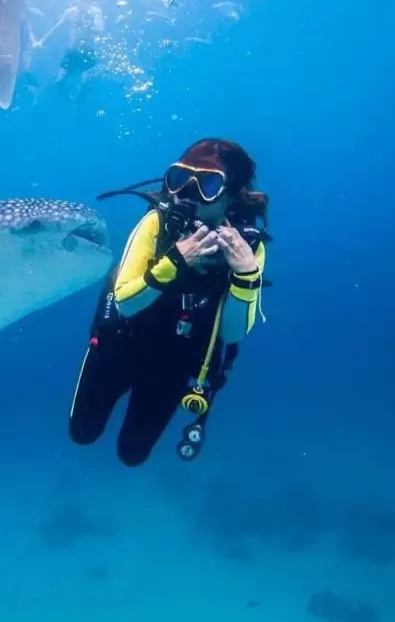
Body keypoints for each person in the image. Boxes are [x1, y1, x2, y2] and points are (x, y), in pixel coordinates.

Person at [69, 137, 271, 465]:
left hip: (176, 361)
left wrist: (245, 275)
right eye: (179, 179)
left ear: (231, 195)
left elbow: (232, 335)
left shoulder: (247, 247)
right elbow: (126, 304)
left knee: (132, 454)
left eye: (208, 183)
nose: (186, 193)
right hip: (121, 341)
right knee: (82, 433)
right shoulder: (156, 222)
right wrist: (176, 261)